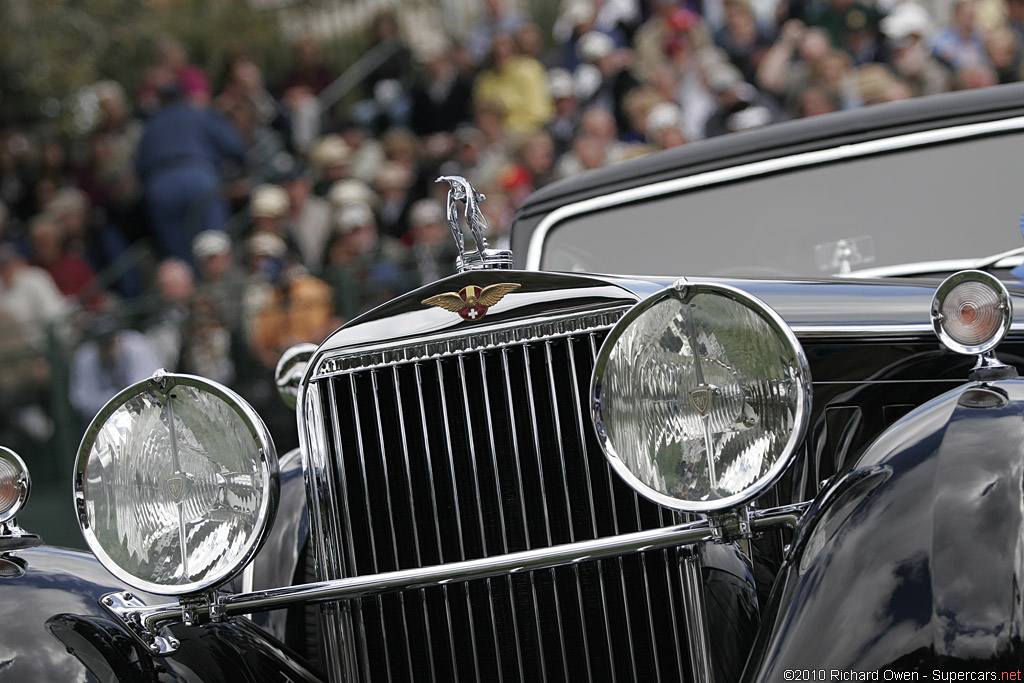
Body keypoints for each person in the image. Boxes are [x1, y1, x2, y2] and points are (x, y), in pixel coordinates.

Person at [135, 83, 246, 263]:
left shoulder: (150, 126)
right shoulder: (197, 114)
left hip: (160, 186)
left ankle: (187, 288)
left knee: (180, 257)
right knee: (213, 244)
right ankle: (218, 286)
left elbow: (138, 168)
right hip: (197, 176)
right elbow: (235, 146)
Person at [69, 311, 163, 423]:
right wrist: (116, 396)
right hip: (106, 419)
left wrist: (119, 397)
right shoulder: (85, 357)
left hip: (145, 410)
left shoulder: (136, 345)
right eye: (101, 344)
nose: (106, 348)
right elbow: (83, 401)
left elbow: (148, 384)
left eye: (109, 342)